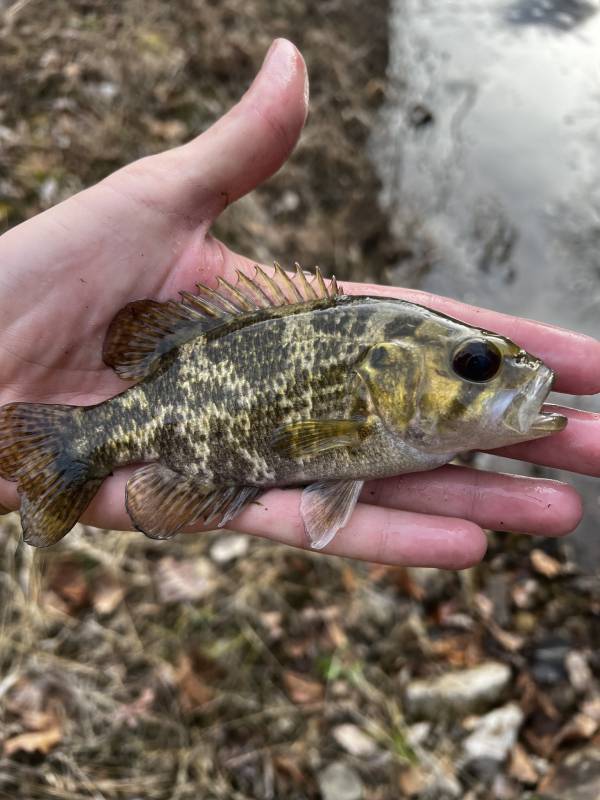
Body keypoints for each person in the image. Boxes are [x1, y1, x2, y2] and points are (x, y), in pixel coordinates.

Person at [0, 39, 598, 568]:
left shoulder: (381, 425)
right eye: (475, 365)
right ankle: (78, 443)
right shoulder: (371, 415)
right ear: (385, 369)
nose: (497, 378)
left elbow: (328, 460)